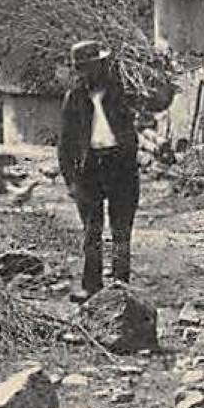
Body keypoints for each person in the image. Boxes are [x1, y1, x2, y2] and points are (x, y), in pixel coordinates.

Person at [58, 39, 140, 302]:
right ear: (80, 70)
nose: (92, 72)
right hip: (89, 168)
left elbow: (140, 115)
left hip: (121, 165)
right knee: (92, 230)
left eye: (97, 65)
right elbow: (65, 143)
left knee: (121, 229)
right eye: (85, 68)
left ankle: (119, 287)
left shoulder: (121, 92)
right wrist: (70, 180)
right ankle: (91, 286)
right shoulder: (74, 98)